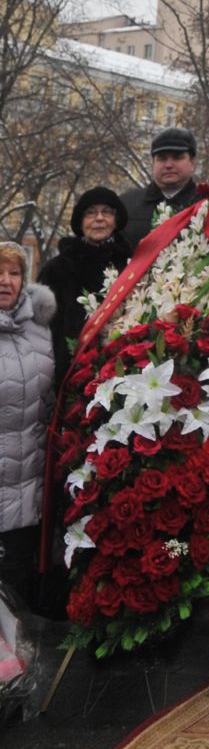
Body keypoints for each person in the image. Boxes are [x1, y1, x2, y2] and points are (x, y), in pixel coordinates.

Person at [0, 245, 56, 610]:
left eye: (14, 273)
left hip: (29, 491)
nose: (5, 281)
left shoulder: (42, 329)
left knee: (20, 597)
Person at [38, 188, 130, 379]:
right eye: (90, 212)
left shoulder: (131, 265)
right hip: (69, 373)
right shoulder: (56, 270)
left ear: (116, 220)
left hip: (122, 369)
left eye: (107, 211)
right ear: (80, 222)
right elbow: (39, 328)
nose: (99, 218)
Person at [121, 126, 209, 241]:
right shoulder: (125, 205)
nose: (168, 165)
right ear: (152, 163)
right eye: (162, 158)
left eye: (177, 157)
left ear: (193, 162)